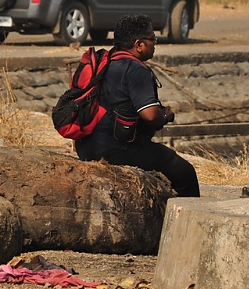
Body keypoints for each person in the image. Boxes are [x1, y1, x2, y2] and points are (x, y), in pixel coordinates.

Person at [75, 14, 200, 197]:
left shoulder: (104, 61)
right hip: (115, 150)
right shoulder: (135, 69)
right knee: (185, 172)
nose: (155, 44)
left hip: (86, 146)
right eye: (153, 39)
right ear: (139, 45)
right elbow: (150, 115)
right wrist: (164, 116)